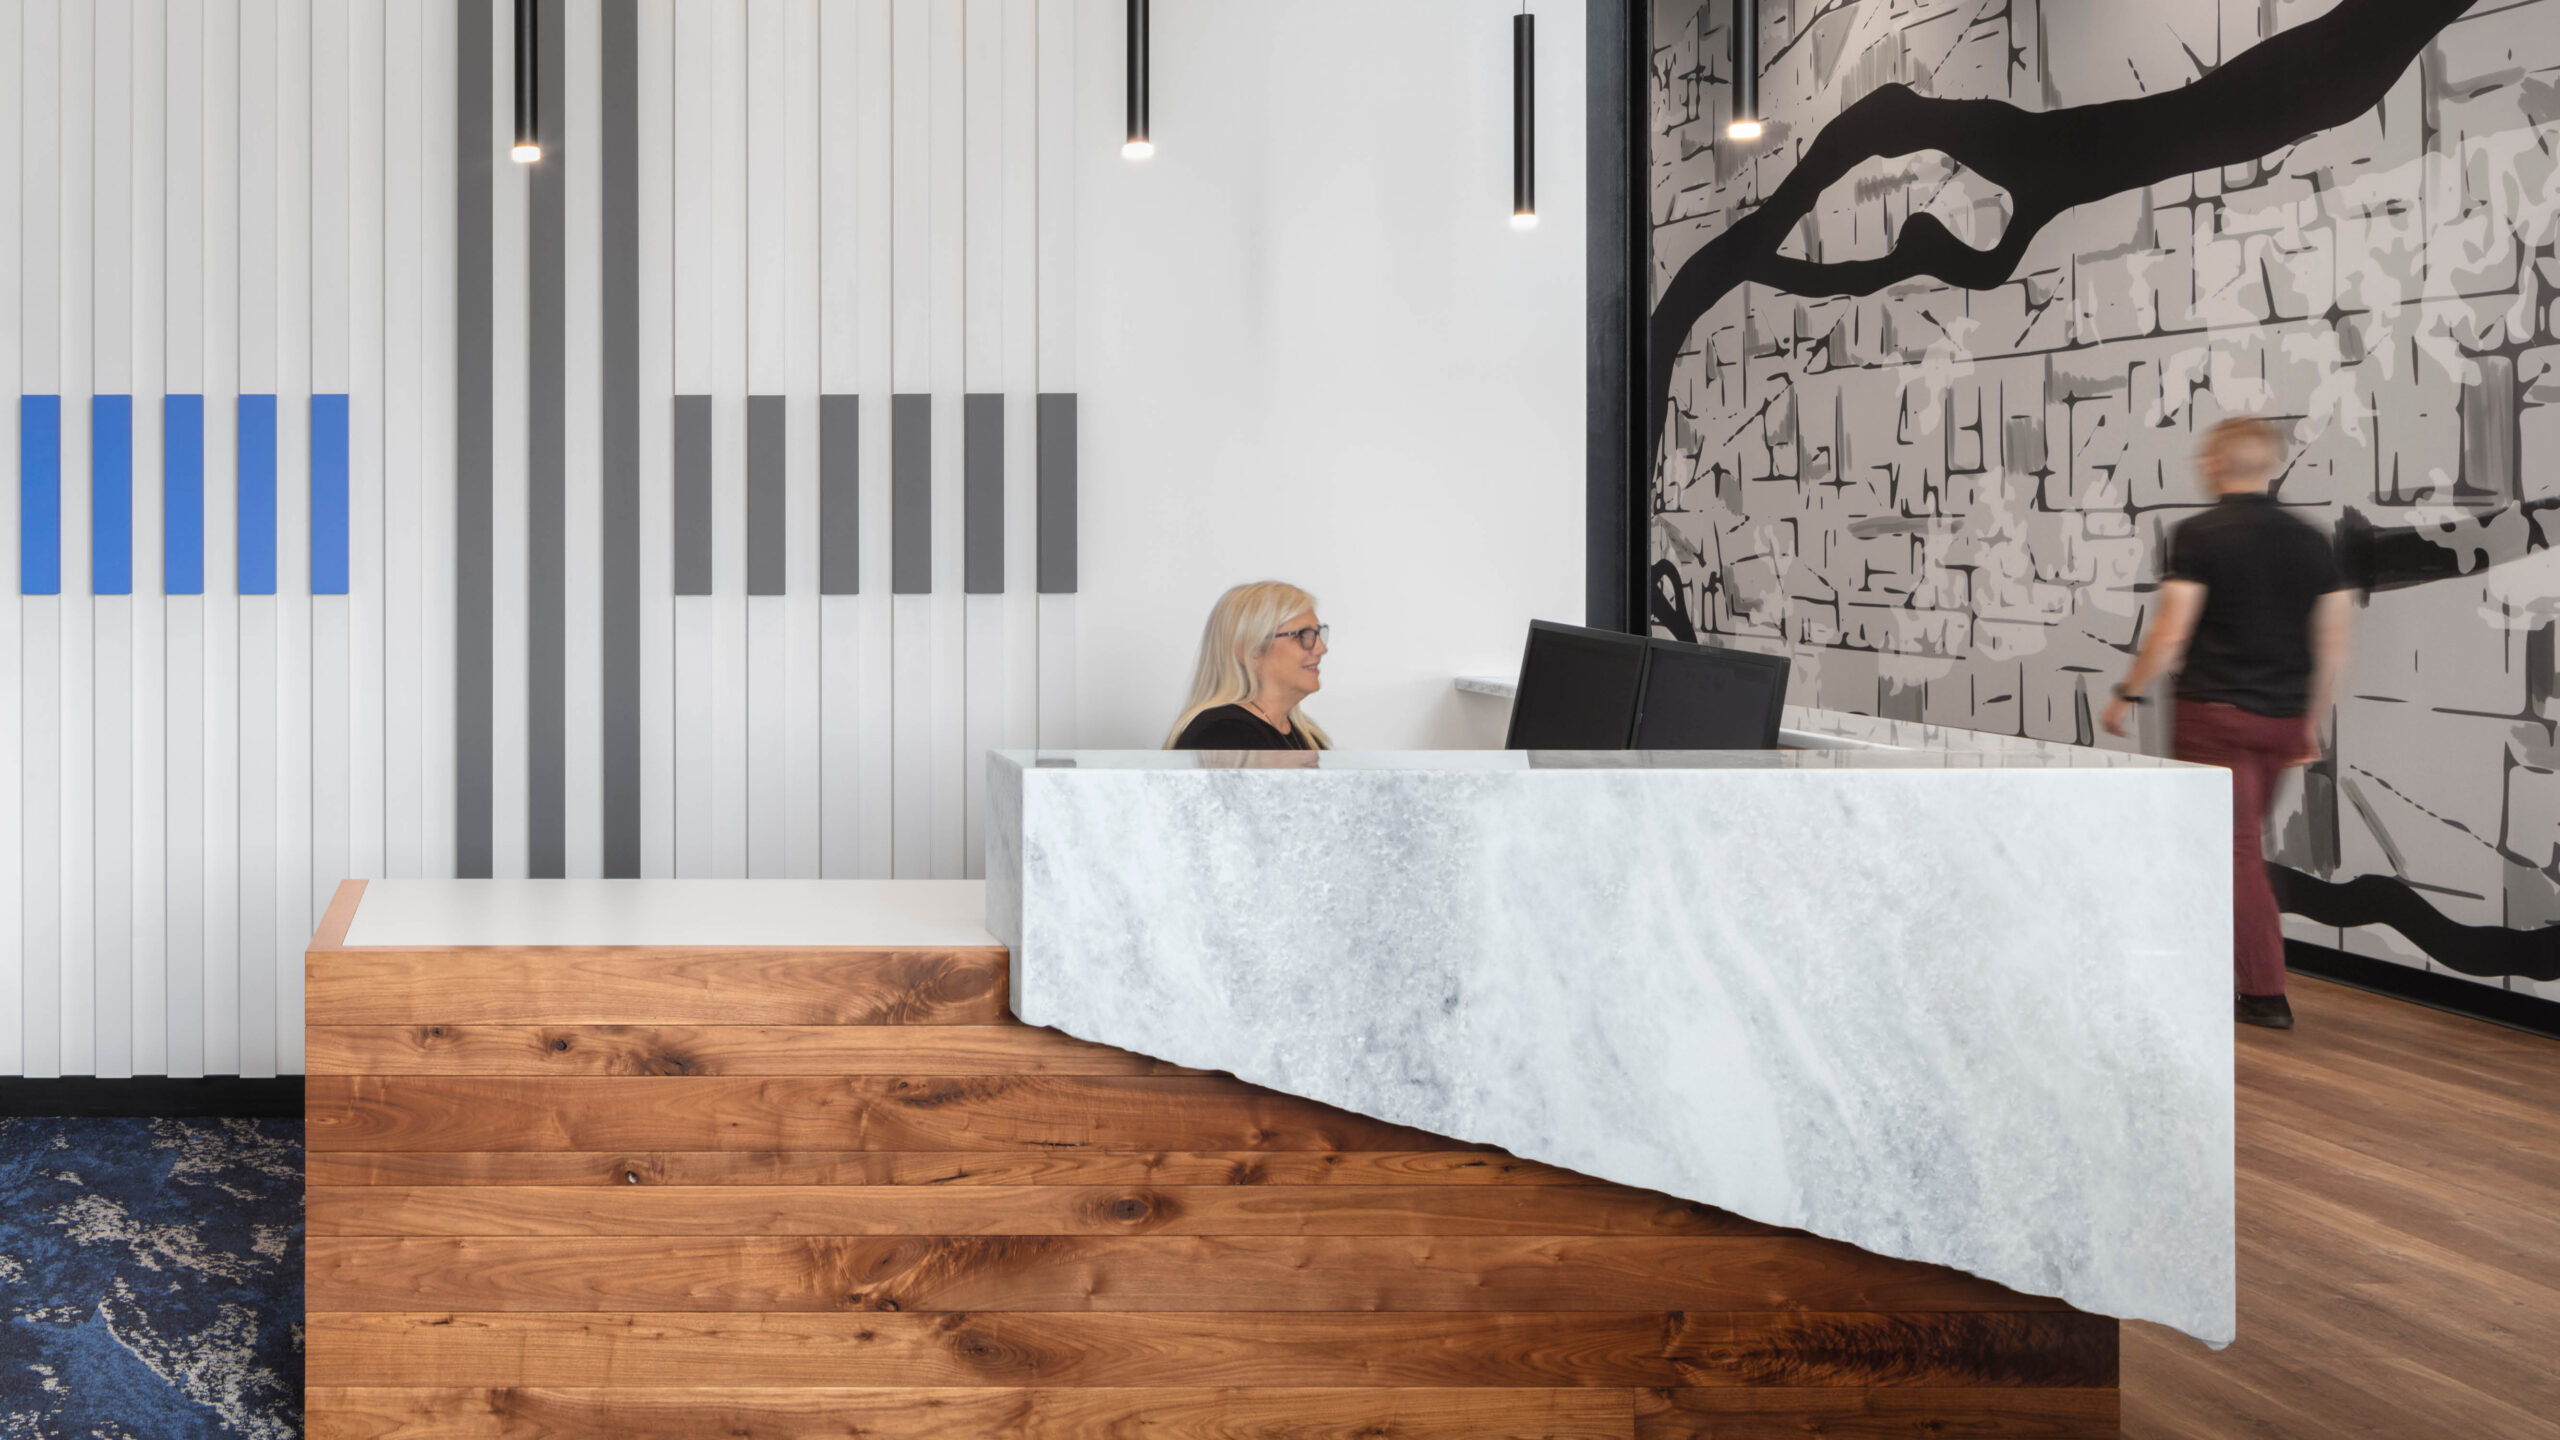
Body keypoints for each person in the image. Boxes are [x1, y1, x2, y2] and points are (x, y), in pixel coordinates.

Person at [2102, 417, 2353, 1031]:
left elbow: (2171, 630)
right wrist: (2309, 722)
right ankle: (2199, 970)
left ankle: (2265, 993)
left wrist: (2126, 694)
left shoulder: (2199, 535)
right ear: (2268, 466)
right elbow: (2335, 639)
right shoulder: (2312, 539)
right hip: (2282, 720)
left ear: (2215, 463)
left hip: (2215, 717)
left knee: (2231, 851)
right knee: (2230, 848)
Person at [1166, 581, 1334, 752]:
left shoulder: (1308, 738)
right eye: (1304, 635)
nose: (1321, 648)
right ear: (1250, 649)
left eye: (1318, 633)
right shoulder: (1223, 735)